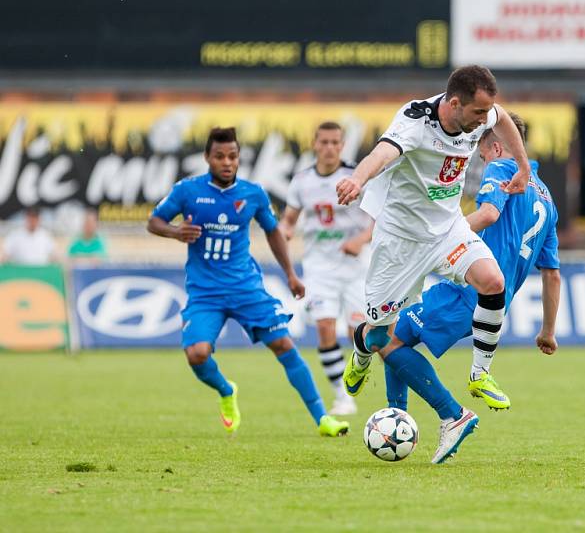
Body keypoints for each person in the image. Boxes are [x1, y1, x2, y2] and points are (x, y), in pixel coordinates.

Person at [336, 65, 532, 420]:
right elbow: (381, 154)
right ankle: (361, 352)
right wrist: (357, 179)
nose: (484, 119)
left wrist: (523, 167)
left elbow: (502, 119)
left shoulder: (483, 114)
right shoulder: (414, 122)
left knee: (493, 281)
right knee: (380, 334)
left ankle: (479, 374)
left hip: (448, 230)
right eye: (477, 112)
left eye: (487, 111)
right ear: (454, 103)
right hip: (401, 240)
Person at [379, 113, 560, 463]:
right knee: (397, 331)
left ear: (495, 146)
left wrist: (440, 237)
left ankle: (452, 414)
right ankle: (395, 419)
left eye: (480, 152)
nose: (479, 160)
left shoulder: (501, 169)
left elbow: (489, 213)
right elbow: (551, 273)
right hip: (491, 303)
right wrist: (548, 331)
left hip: (469, 292)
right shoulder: (546, 197)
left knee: (386, 340)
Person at [147, 127, 349, 437]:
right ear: (207, 158)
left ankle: (323, 418)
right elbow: (154, 221)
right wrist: (175, 232)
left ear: (239, 158)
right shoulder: (187, 190)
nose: (226, 162)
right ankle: (227, 390)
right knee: (197, 354)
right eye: (219, 156)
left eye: (232, 156)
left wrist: (290, 274)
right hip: (205, 293)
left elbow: (273, 231)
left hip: (246, 289)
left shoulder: (253, 194)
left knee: (283, 344)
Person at [279, 121, 373, 416]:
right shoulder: (302, 181)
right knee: (324, 327)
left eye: (335, 142)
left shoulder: (356, 177)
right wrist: (282, 232)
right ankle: (342, 395)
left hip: (357, 266)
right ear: (314, 144)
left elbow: (380, 216)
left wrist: (360, 239)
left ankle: (356, 376)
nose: (330, 148)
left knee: (358, 332)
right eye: (324, 142)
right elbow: (289, 220)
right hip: (319, 268)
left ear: (342, 145)